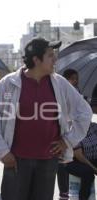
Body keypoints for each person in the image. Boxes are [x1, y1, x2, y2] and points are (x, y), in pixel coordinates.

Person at [0, 37, 93, 200]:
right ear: (36, 59)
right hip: (15, 161)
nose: (55, 59)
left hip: (48, 162)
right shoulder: (8, 84)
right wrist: (3, 152)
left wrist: (67, 141)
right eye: (50, 55)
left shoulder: (60, 84)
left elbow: (84, 112)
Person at [64, 99, 97, 200]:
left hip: (92, 158)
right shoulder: (72, 130)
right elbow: (79, 155)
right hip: (74, 161)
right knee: (89, 174)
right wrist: (95, 169)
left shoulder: (94, 127)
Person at [57, 68, 80, 200]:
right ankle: (64, 192)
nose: (75, 81)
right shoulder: (59, 90)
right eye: (72, 78)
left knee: (64, 163)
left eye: (76, 79)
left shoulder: (75, 92)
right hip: (62, 131)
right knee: (61, 164)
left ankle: (65, 192)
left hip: (72, 134)